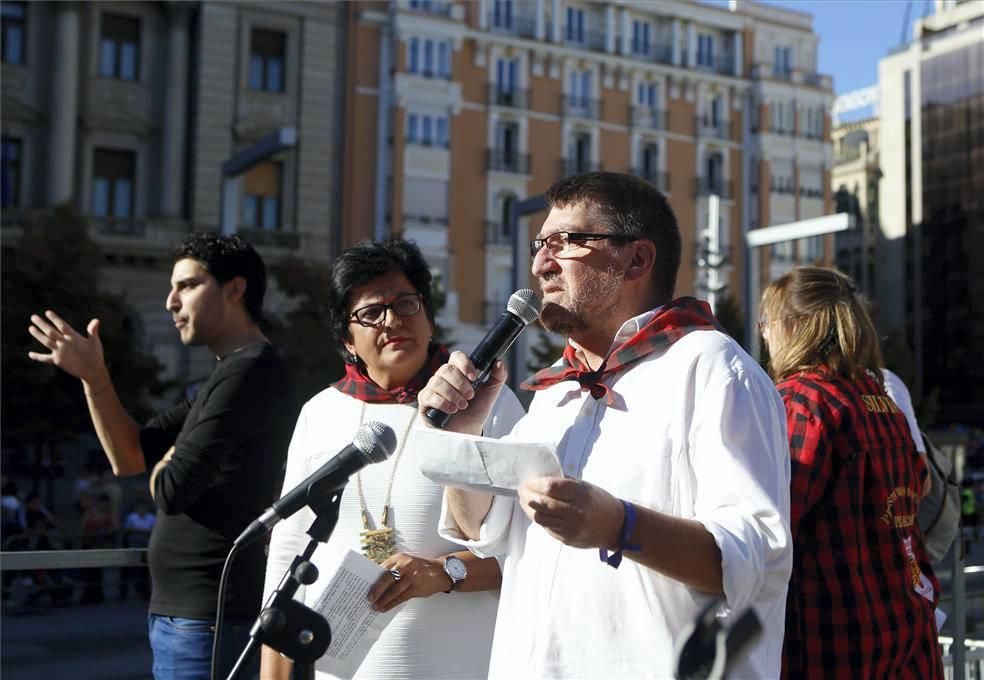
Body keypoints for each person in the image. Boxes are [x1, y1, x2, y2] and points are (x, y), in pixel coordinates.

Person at [417, 172, 792, 678]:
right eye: (539, 244)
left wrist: (617, 525)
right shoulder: (554, 395)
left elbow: (754, 562)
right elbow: (482, 532)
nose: (540, 262)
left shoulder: (712, 368)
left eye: (564, 242)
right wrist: (464, 435)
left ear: (636, 259)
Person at [27, 232, 296, 679]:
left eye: (187, 285)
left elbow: (171, 490)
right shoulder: (224, 376)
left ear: (235, 289)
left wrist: (168, 464)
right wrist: (95, 379)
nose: (171, 301)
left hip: (209, 620)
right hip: (185, 619)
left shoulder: (251, 371)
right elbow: (130, 458)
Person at [261, 239, 525, 680]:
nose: (392, 321)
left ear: (428, 315)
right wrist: (274, 674)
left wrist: (444, 573)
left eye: (406, 303)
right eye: (371, 312)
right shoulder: (320, 413)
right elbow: (286, 553)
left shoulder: (488, 403)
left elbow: (528, 552)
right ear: (347, 338)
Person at [758, 265, 943, 679]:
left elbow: (766, 528)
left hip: (834, 646)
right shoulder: (878, 397)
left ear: (794, 326)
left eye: (766, 323)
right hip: (905, 635)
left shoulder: (801, 402)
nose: (764, 335)